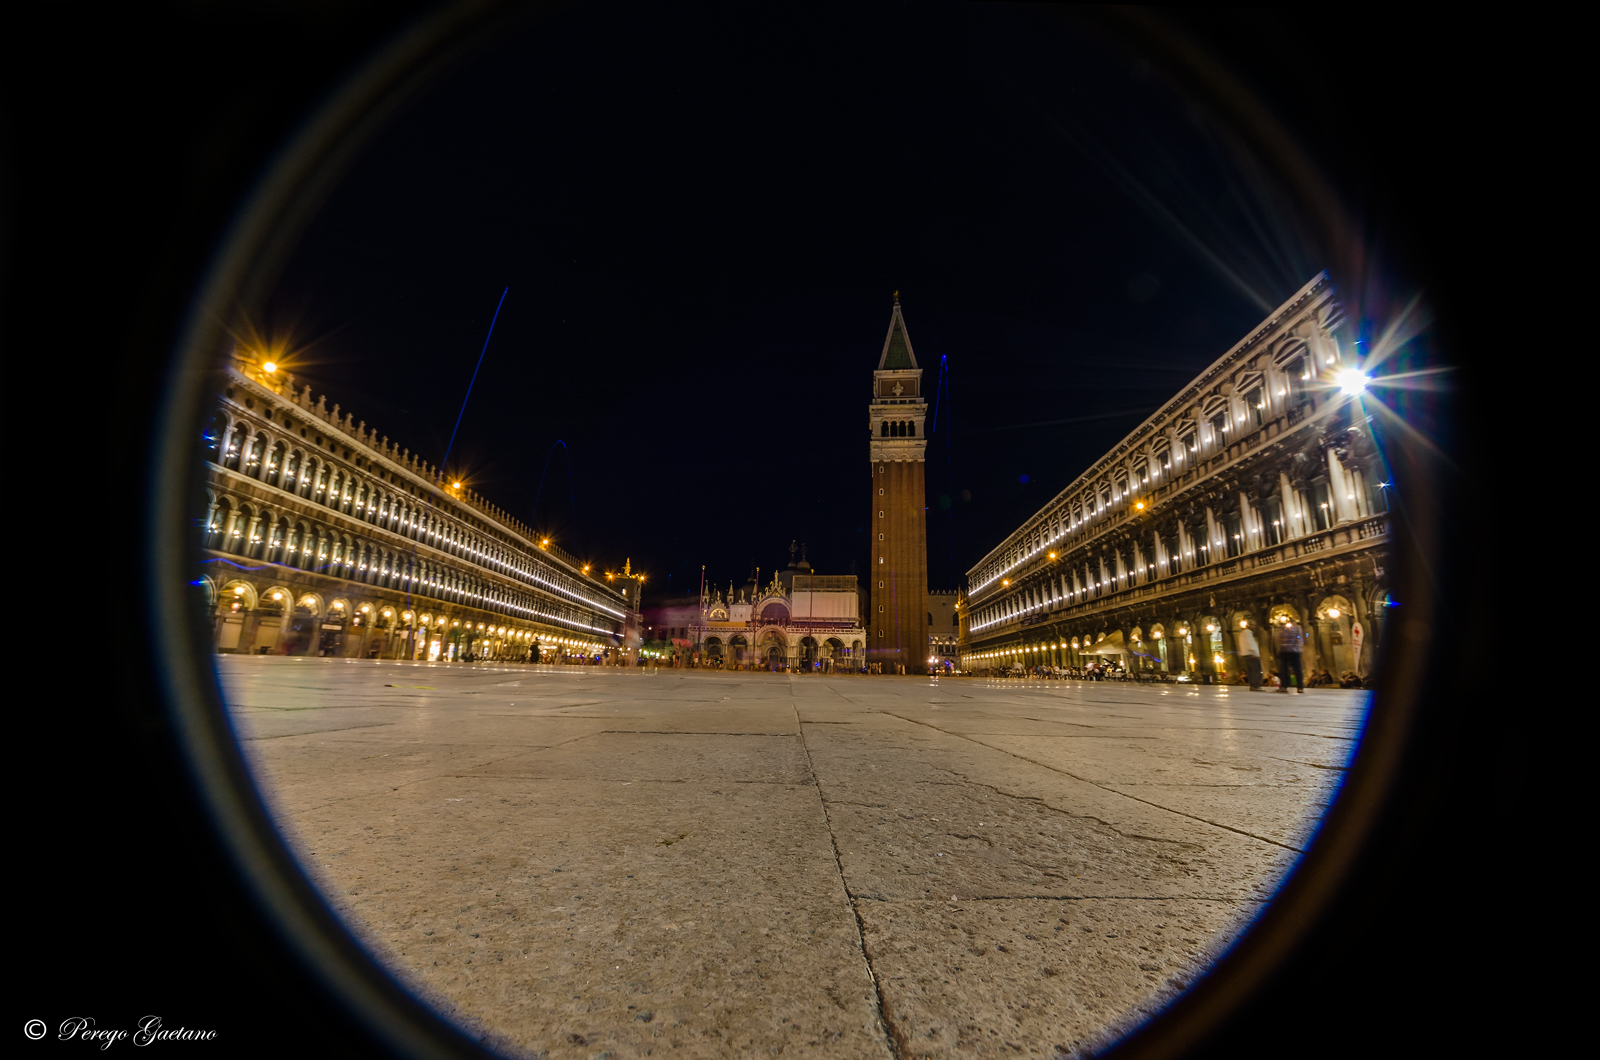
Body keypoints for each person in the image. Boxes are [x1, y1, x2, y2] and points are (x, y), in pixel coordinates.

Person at [1274, 618, 1305, 693]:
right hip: (1289, 651)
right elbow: (1280, 638)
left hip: (1291, 651)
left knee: (1295, 669)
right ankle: (1288, 686)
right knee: (1286, 669)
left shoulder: (1296, 628)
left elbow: (1281, 638)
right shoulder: (1286, 628)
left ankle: (1298, 687)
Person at [1236, 621, 1263, 690]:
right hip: (1252, 654)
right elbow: (1251, 645)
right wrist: (1257, 654)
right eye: (1253, 625)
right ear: (1249, 625)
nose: (1254, 627)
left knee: (1250, 671)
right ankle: (1256, 685)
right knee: (1256, 670)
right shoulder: (1247, 633)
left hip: (1246, 654)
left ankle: (1252, 685)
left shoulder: (1242, 633)